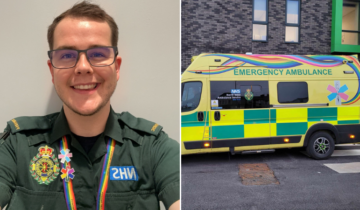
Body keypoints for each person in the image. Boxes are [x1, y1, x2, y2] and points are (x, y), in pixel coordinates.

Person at [0, 1, 179, 210]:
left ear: (117, 67)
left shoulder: (153, 148)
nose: (83, 67)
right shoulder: (16, 146)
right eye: (67, 55)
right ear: (52, 71)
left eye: (98, 54)